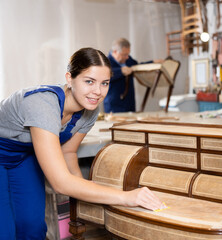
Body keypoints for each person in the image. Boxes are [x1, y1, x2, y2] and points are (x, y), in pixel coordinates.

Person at [0, 47, 162, 239]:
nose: (98, 92)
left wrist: (83, 190)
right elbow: (60, 183)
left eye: (105, 83)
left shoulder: (90, 111)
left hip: (22, 157)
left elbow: (68, 153)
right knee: (6, 231)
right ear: (69, 78)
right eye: (89, 81)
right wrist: (126, 197)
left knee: (33, 227)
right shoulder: (42, 105)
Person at [103, 38, 163, 113]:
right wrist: (120, 71)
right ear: (115, 52)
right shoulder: (105, 62)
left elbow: (137, 67)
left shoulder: (128, 59)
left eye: (128, 54)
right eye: (124, 54)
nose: (127, 57)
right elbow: (104, 75)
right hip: (114, 106)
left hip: (129, 104)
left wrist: (153, 62)